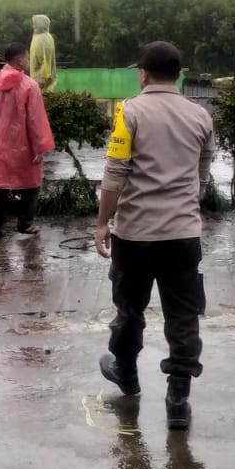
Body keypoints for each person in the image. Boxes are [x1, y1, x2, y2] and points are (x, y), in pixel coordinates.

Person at [92, 42, 215, 430]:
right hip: (183, 235)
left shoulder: (128, 112)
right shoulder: (200, 116)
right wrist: (183, 209)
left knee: (130, 310)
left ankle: (126, 373)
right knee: (183, 314)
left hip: (135, 236)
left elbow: (115, 173)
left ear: (142, 74)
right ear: (178, 75)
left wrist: (101, 223)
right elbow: (203, 176)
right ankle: (178, 397)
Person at [0, 45, 54, 240]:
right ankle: (24, 223)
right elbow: (35, 121)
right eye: (25, 57)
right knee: (31, 185)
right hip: (22, 146)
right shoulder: (29, 86)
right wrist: (38, 148)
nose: (27, 61)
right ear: (19, 60)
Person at [29, 14, 57, 91]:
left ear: (40, 24)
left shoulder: (43, 38)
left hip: (40, 79)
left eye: (34, 24)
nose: (33, 26)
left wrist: (43, 78)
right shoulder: (40, 37)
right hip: (38, 77)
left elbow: (46, 59)